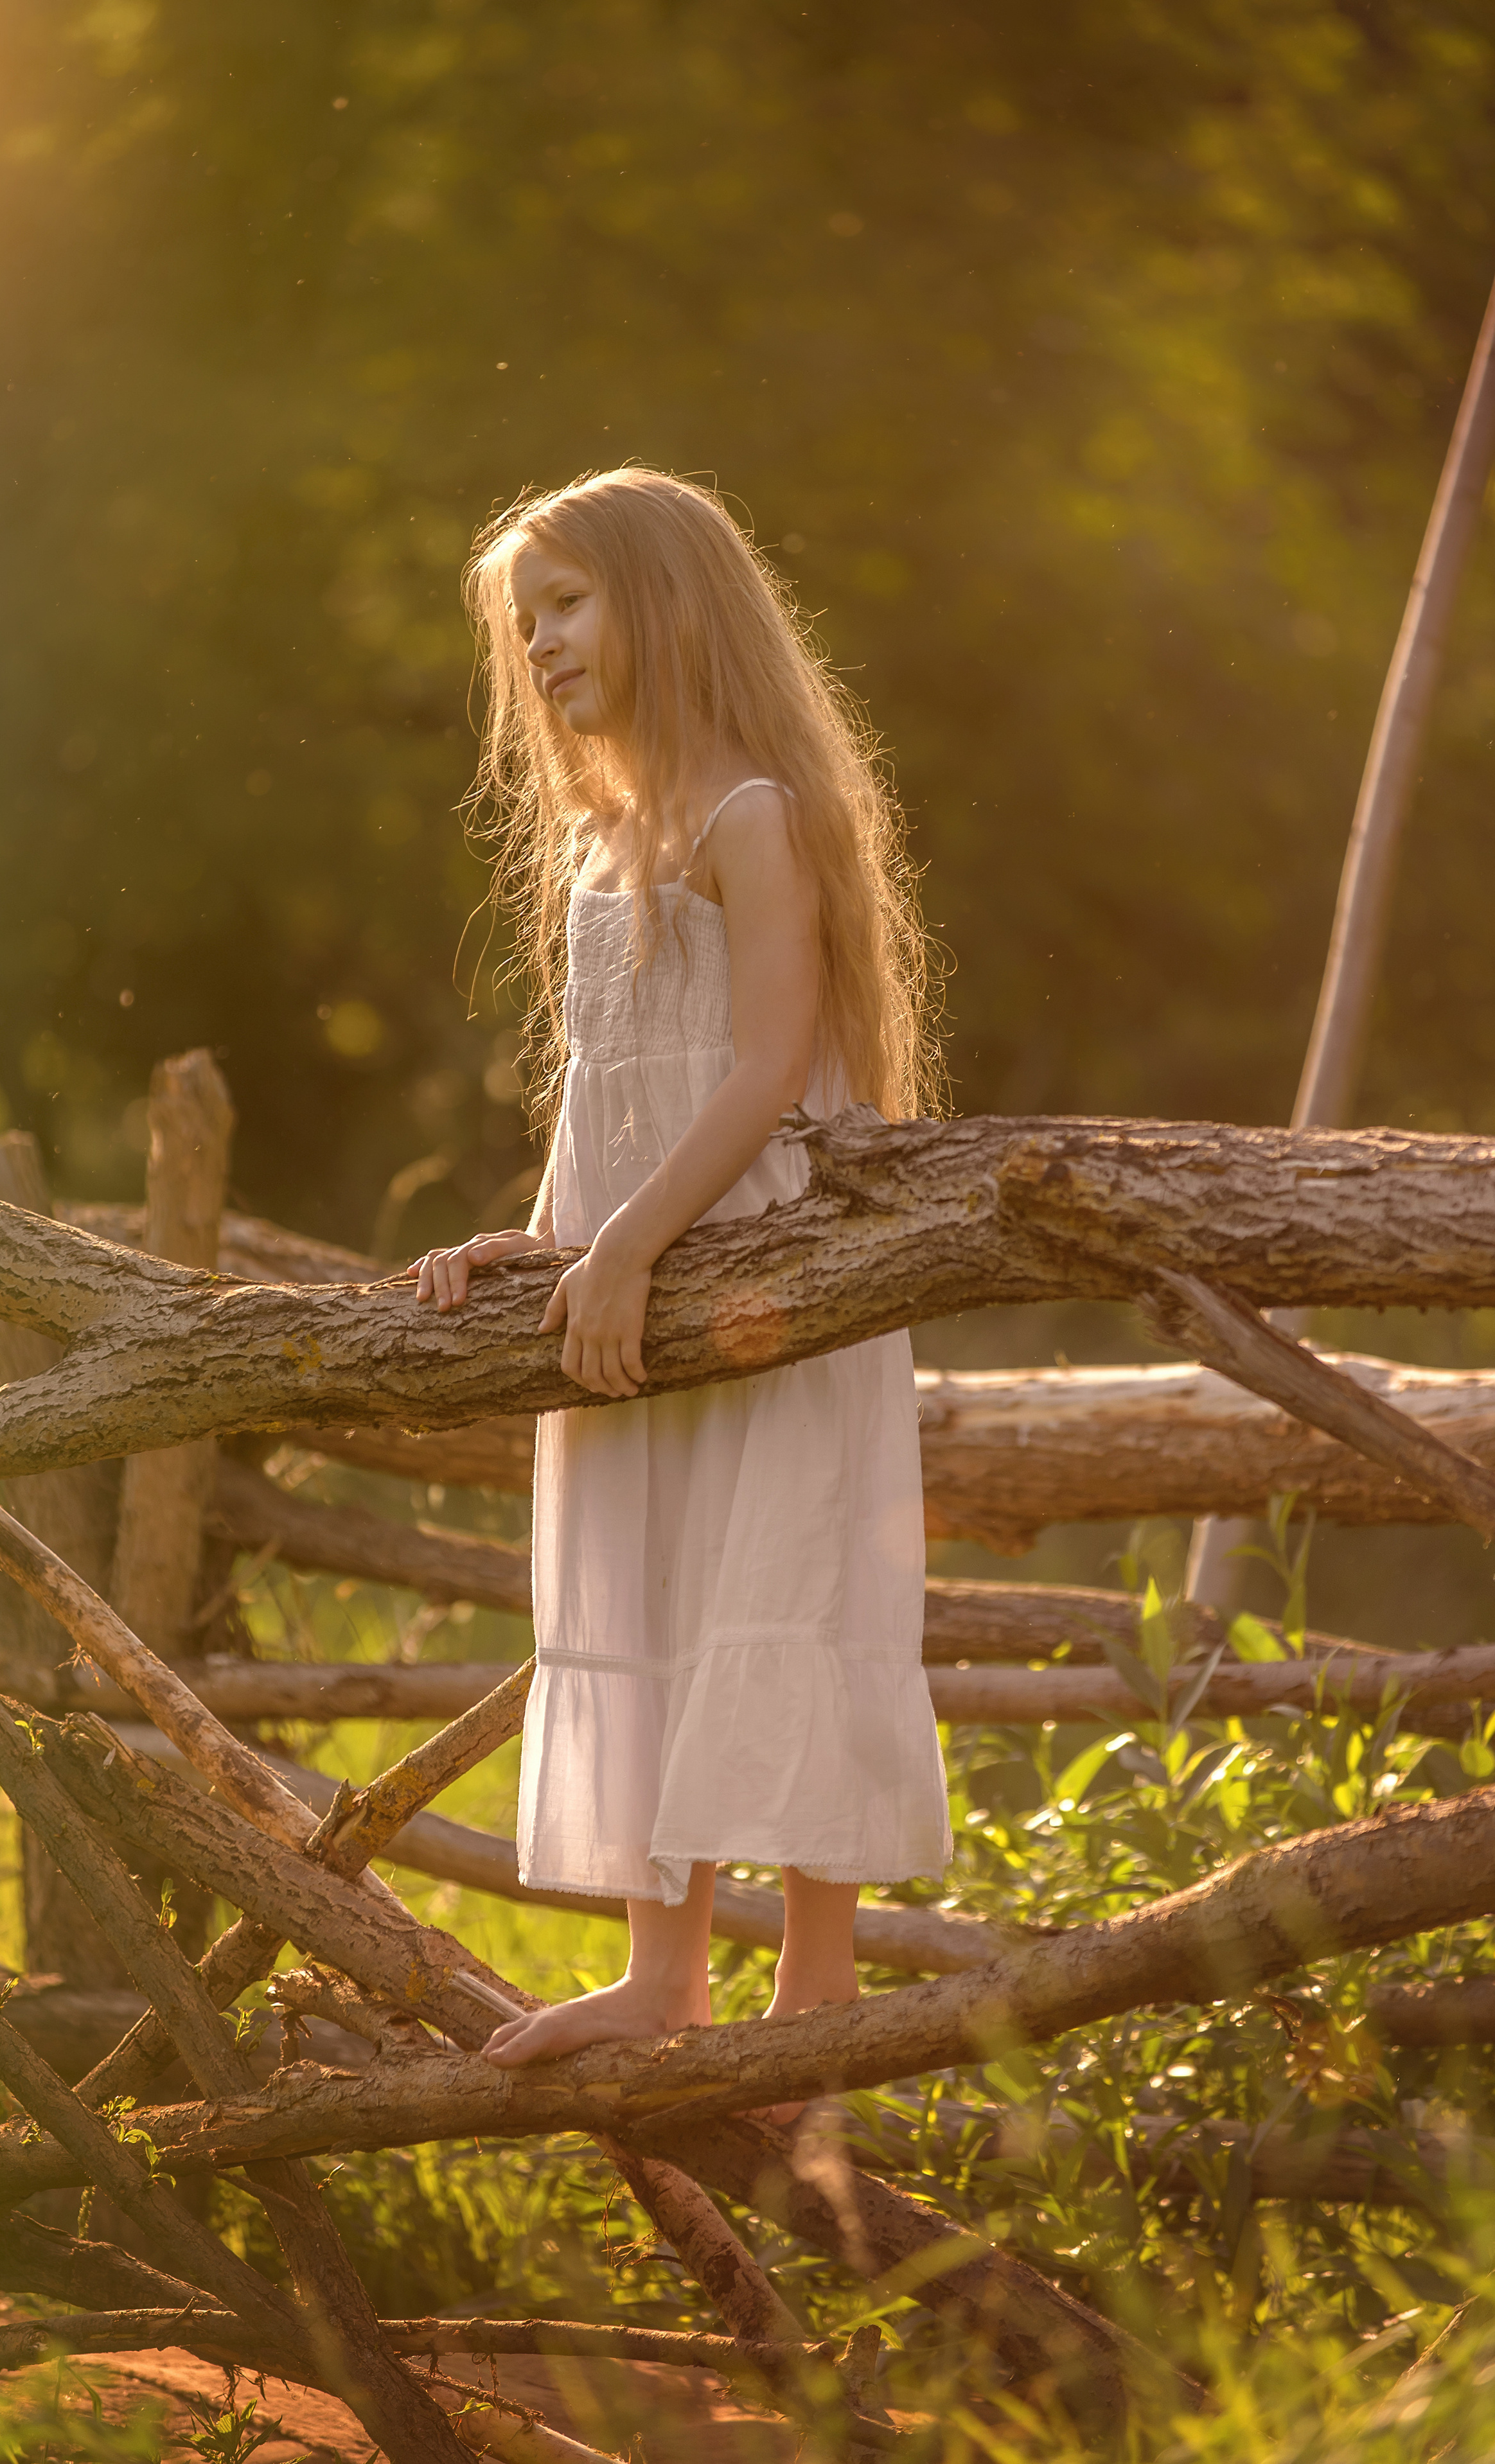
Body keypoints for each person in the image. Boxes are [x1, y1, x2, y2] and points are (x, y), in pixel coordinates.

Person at [407, 467, 949, 2072]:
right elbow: (611, 1081)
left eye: (565, 604)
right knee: (655, 1573)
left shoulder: (751, 815)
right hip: (638, 1258)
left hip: (772, 1261)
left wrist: (635, 1241)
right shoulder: (598, 840)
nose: (541, 646)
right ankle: (662, 1974)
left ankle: (814, 1988)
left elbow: (769, 1063)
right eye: (527, 622)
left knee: (780, 1575)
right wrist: (562, 1237)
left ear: (665, 600)